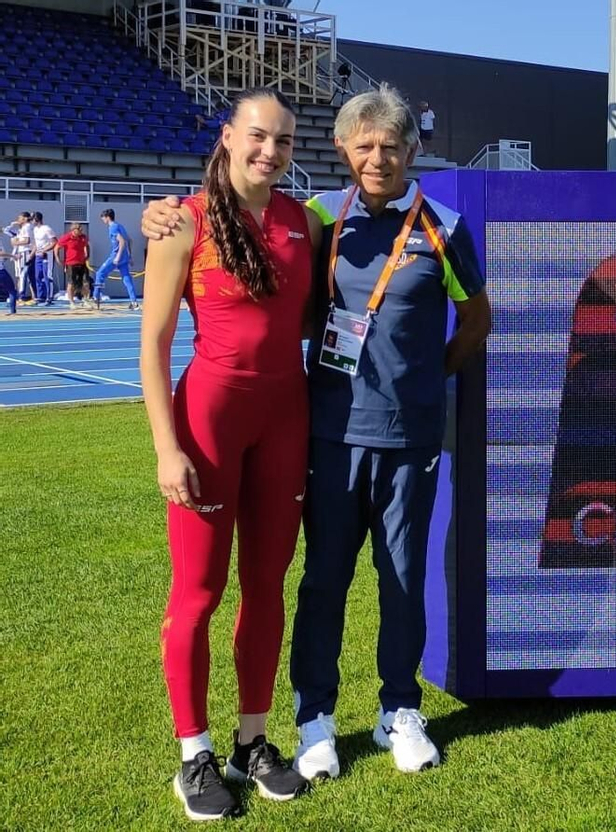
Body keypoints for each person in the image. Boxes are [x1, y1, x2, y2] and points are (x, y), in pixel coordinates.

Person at [142, 83, 491, 780]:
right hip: (285, 430)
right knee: (266, 586)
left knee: (352, 582)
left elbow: (470, 319)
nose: (378, 158)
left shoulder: (387, 223)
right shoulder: (277, 219)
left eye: (392, 146)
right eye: (364, 146)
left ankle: (344, 721)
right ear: (341, 150)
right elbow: (175, 332)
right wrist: (162, 212)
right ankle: (260, 735)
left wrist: (429, 383)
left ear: (411, 151)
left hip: (358, 434)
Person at [139, 88, 319, 821]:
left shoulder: (305, 222)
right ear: (226, 136)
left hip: (287, 419)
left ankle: (252, 740)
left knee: (268, 585)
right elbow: (151, 347)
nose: (269, 151)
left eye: (282, 142)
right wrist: (166, 447)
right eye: (257, 136)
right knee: (200, 592)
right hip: (209, 420)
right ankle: (194, 755)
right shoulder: (180, 221)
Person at [95, 209, 140, 310]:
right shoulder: (120, 226)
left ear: (107, 217)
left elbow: (122, 241)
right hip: (124, 257)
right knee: (127, 279)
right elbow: (130, 240)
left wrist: (118, 257)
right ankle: (134, 302)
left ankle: (96, 297)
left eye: (103, 218)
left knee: (100, 273)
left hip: (116, 256)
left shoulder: (113, 227)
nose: (102, 220)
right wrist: (129, 256)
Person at [55, 222, 91, 309]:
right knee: (71, 283)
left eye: (81, 229)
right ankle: (71, 302)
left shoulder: (83, 237)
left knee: (85, 282)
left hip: (82, 263)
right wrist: (58, 259)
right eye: (79, 229)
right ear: (74, 230)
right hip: (71, 263)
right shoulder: (67, 237)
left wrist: (87, 255)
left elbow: (87, 245)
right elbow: (57, 247)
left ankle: (85, 300)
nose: (81, 231)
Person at [30, 212, 58, 306]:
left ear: (36, 219)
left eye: (32, 219)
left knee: (47, 276)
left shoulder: (46, 229)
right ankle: (40, 296)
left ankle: (49, 297)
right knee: (38, 276)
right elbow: (36, 243)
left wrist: (45, 250)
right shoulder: (35, 230)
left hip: (47, 255)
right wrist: (32, 254)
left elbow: (54, 242)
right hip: (38, 255)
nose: (31, 221)